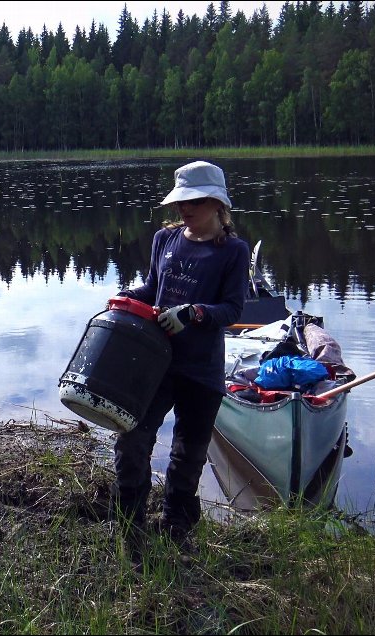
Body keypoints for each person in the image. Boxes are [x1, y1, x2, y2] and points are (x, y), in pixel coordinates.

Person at [111, 160, 249, 558]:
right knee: (132, 439)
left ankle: (175, 526)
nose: (183, 209)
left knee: (188, 455)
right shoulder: (164, 240)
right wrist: (127, 297)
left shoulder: (233, 252)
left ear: (215, 203)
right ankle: (130, 527)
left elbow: (232, 308)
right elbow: (154, 287)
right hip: (156, 363)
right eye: (179, 202)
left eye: (192, 201)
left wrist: (194, 312)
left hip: (201, 371)